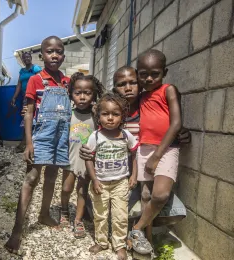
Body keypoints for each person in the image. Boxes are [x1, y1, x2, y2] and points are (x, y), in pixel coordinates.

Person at [4, 36, 70, 254]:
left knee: (52, 176)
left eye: (58, 51)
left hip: (60, 136)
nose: (54, 55)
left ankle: (43, 214)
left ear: (63, 54)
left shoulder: (67, 82)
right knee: (31, 178)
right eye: (49, 51)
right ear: (42, 55)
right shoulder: (35, 80)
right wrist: (29, 143)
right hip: (41, 136)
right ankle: (17, 229)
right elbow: (30, 113)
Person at [111, 66, 187, 246]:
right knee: (111, 209)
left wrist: (182, 132)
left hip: (146, 170)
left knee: (173, 209)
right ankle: (134, 228)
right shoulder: (112, 112)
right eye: (122, 84)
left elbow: (166, 125)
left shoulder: (148, 105)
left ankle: (143, 235)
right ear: (115, 88)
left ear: (141, 84)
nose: (128, 88)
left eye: (133, 83)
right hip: (121, 175)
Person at [127, 49, 182, 254]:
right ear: (137, 73)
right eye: (143, 74)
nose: (149, 78)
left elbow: (176, 123)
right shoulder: (140, 96)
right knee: (146, 195)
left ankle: (136, 228)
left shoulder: (168, 90)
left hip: (166, 149)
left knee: (160, 195)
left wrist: (157, 156)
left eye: (155, 73)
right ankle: (146, 242)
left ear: (164, 72)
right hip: (143, 148)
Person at [85, 93, 138, 260]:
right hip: (100, 183)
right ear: (98, 116)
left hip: (120, 182)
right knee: (100, 214)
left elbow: (135, 155)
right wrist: (94, 179)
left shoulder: (126, 136)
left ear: (122, 116)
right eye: (105, 114)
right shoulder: (95, 137)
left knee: (120, 216)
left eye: (115, 114)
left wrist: (133, 176)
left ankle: (119, 245)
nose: (110, 118)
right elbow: (88, 159)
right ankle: (101, 242)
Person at [59, 72, 105, 238]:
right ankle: (64, 210)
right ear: (71, 94)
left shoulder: (97, 117)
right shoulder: (68, 114)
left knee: (82, 191)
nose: (83, 97)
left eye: (87, 93)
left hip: (87, 163)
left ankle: (78, 220)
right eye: (78, 93)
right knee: (66, 188)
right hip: (70, 160)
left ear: (94, 94)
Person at [10, 52, 42, 153]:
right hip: (26, 97)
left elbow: (40, 80)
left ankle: (26, 143)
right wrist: (14, 97)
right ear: (23, 60)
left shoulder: (35, 68)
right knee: (26, 118)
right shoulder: (22, 71)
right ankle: (27, 142)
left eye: (28, 57)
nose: (26, 59)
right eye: (24, 58)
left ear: (31, 58)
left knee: (33, 118)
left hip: (35, 96)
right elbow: (19, 84)